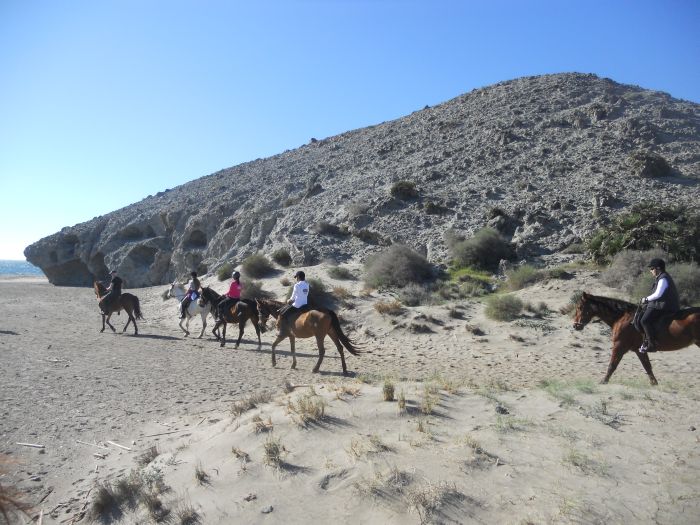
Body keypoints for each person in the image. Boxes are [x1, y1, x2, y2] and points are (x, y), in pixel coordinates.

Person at [639, 258, 680, 353]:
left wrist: (646, 299)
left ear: (658, 268)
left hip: (666, 306)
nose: (650, 271)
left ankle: (652, 344)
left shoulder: (663, 279)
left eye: (652, 268)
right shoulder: (661, 277)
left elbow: (658, 294)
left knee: (644, 320)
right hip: (662, 304)